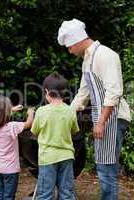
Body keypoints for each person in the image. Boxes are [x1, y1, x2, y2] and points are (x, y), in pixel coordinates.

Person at [57, 19, 131, 200]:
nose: (70, 51)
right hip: (103, 119)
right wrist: (62, 114)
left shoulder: (105, 55)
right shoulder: (87, 61)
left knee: (107, 170)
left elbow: (114, 92)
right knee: (103, 167)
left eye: (70, 47)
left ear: (78, 41)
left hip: (112, 119)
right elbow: (83, 94)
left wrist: (101, 122)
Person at [31, 72, 79, 200]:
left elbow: (34, 132)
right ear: (64, 92)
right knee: (66, 194)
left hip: (47, 158)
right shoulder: (70, 111)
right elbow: (74, 131)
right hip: (67, 157)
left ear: (46, 91)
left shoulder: (41, 111)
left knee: (45, 195)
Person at [0, 95, 34, 200]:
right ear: (6, 112)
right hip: (11, 170)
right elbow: (29, 124)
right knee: (9, 197)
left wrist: (11, 109)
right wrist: (31, 113)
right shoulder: (12, 126)